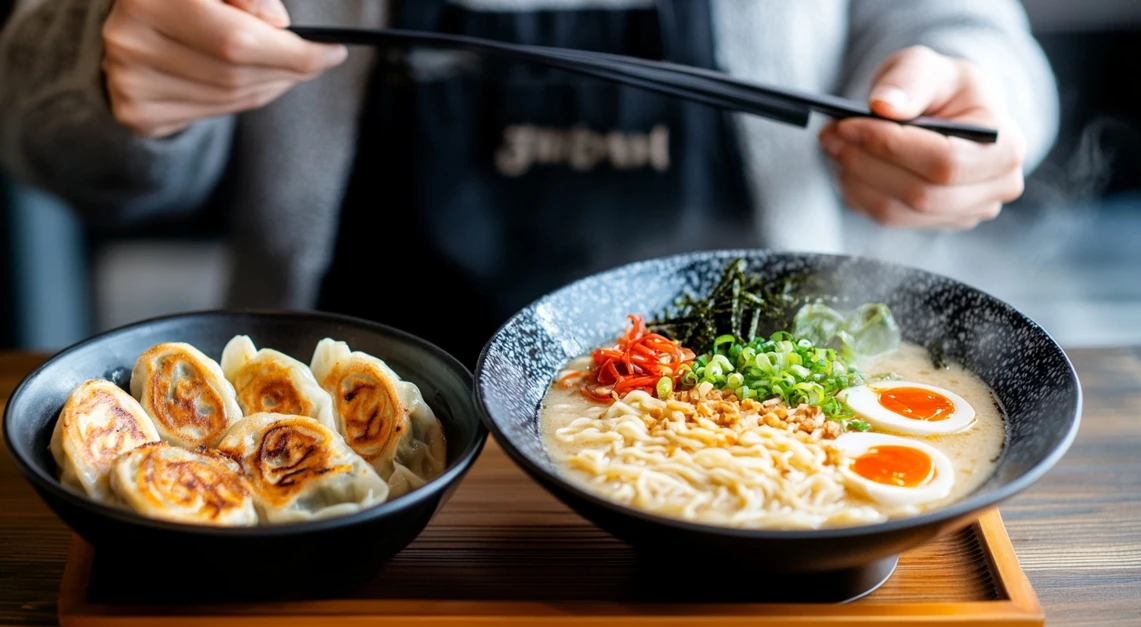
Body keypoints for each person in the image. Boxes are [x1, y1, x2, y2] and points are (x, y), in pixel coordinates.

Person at [0, 0, 1058, 367]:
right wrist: (105, 72)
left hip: (765, 454)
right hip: (340, 448)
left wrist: (974, 105)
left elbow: (956, 30)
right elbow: (41, 117)